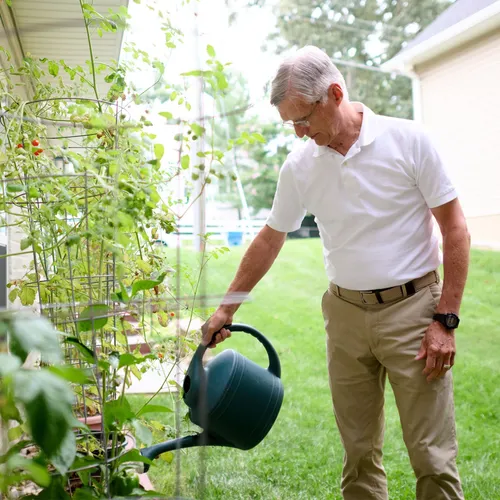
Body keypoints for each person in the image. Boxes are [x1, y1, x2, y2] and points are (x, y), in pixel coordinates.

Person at [202, 45, 470, 500]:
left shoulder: (409, 141)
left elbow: (455, 228)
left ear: (335, 93)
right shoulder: (301, 165)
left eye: (303, 119)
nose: (300, 132)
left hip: (414, 310)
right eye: (291, 124)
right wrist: (226, 308)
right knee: (359, 454)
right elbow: (270, 237)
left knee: (432, 456)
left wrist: (445, 320)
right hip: (345, 315)